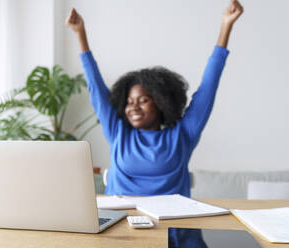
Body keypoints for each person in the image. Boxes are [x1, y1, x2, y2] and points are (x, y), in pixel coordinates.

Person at [66, 0, 243, 247]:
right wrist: (80, 35)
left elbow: (207, 89)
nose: (133, 107)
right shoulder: (118, 132)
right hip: (122, 231)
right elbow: (96, 89)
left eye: (143, 100)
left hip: (175, 233)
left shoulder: (182, 134)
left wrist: (225, 27)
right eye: (129, 101)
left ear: (160, 103)